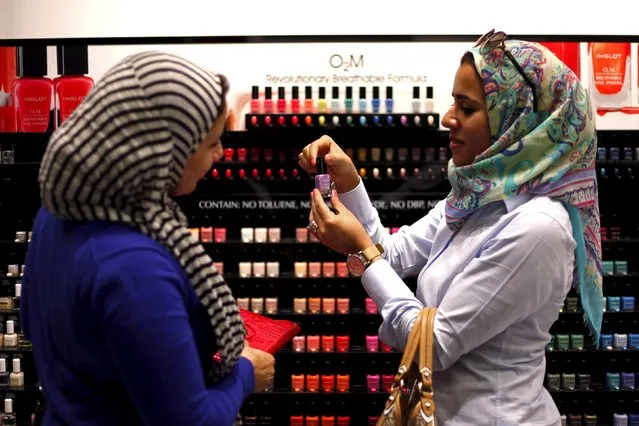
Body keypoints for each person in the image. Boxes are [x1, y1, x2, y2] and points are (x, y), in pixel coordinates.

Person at [298, 30, 603, 425]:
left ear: (517, 119)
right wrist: (351, 183)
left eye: (468, 107)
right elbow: (394, 253)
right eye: (453, 102)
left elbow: (436, 345)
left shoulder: (538, 228)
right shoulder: (478, 196)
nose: (448, 118)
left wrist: (362, 253)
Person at [21, 51, 275, 426]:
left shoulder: (55, 213)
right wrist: (245, 373)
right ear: (162, 153)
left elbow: (30, 322)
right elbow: (191, 421)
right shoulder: (136, 267)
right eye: (211, 143)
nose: (220, 154)